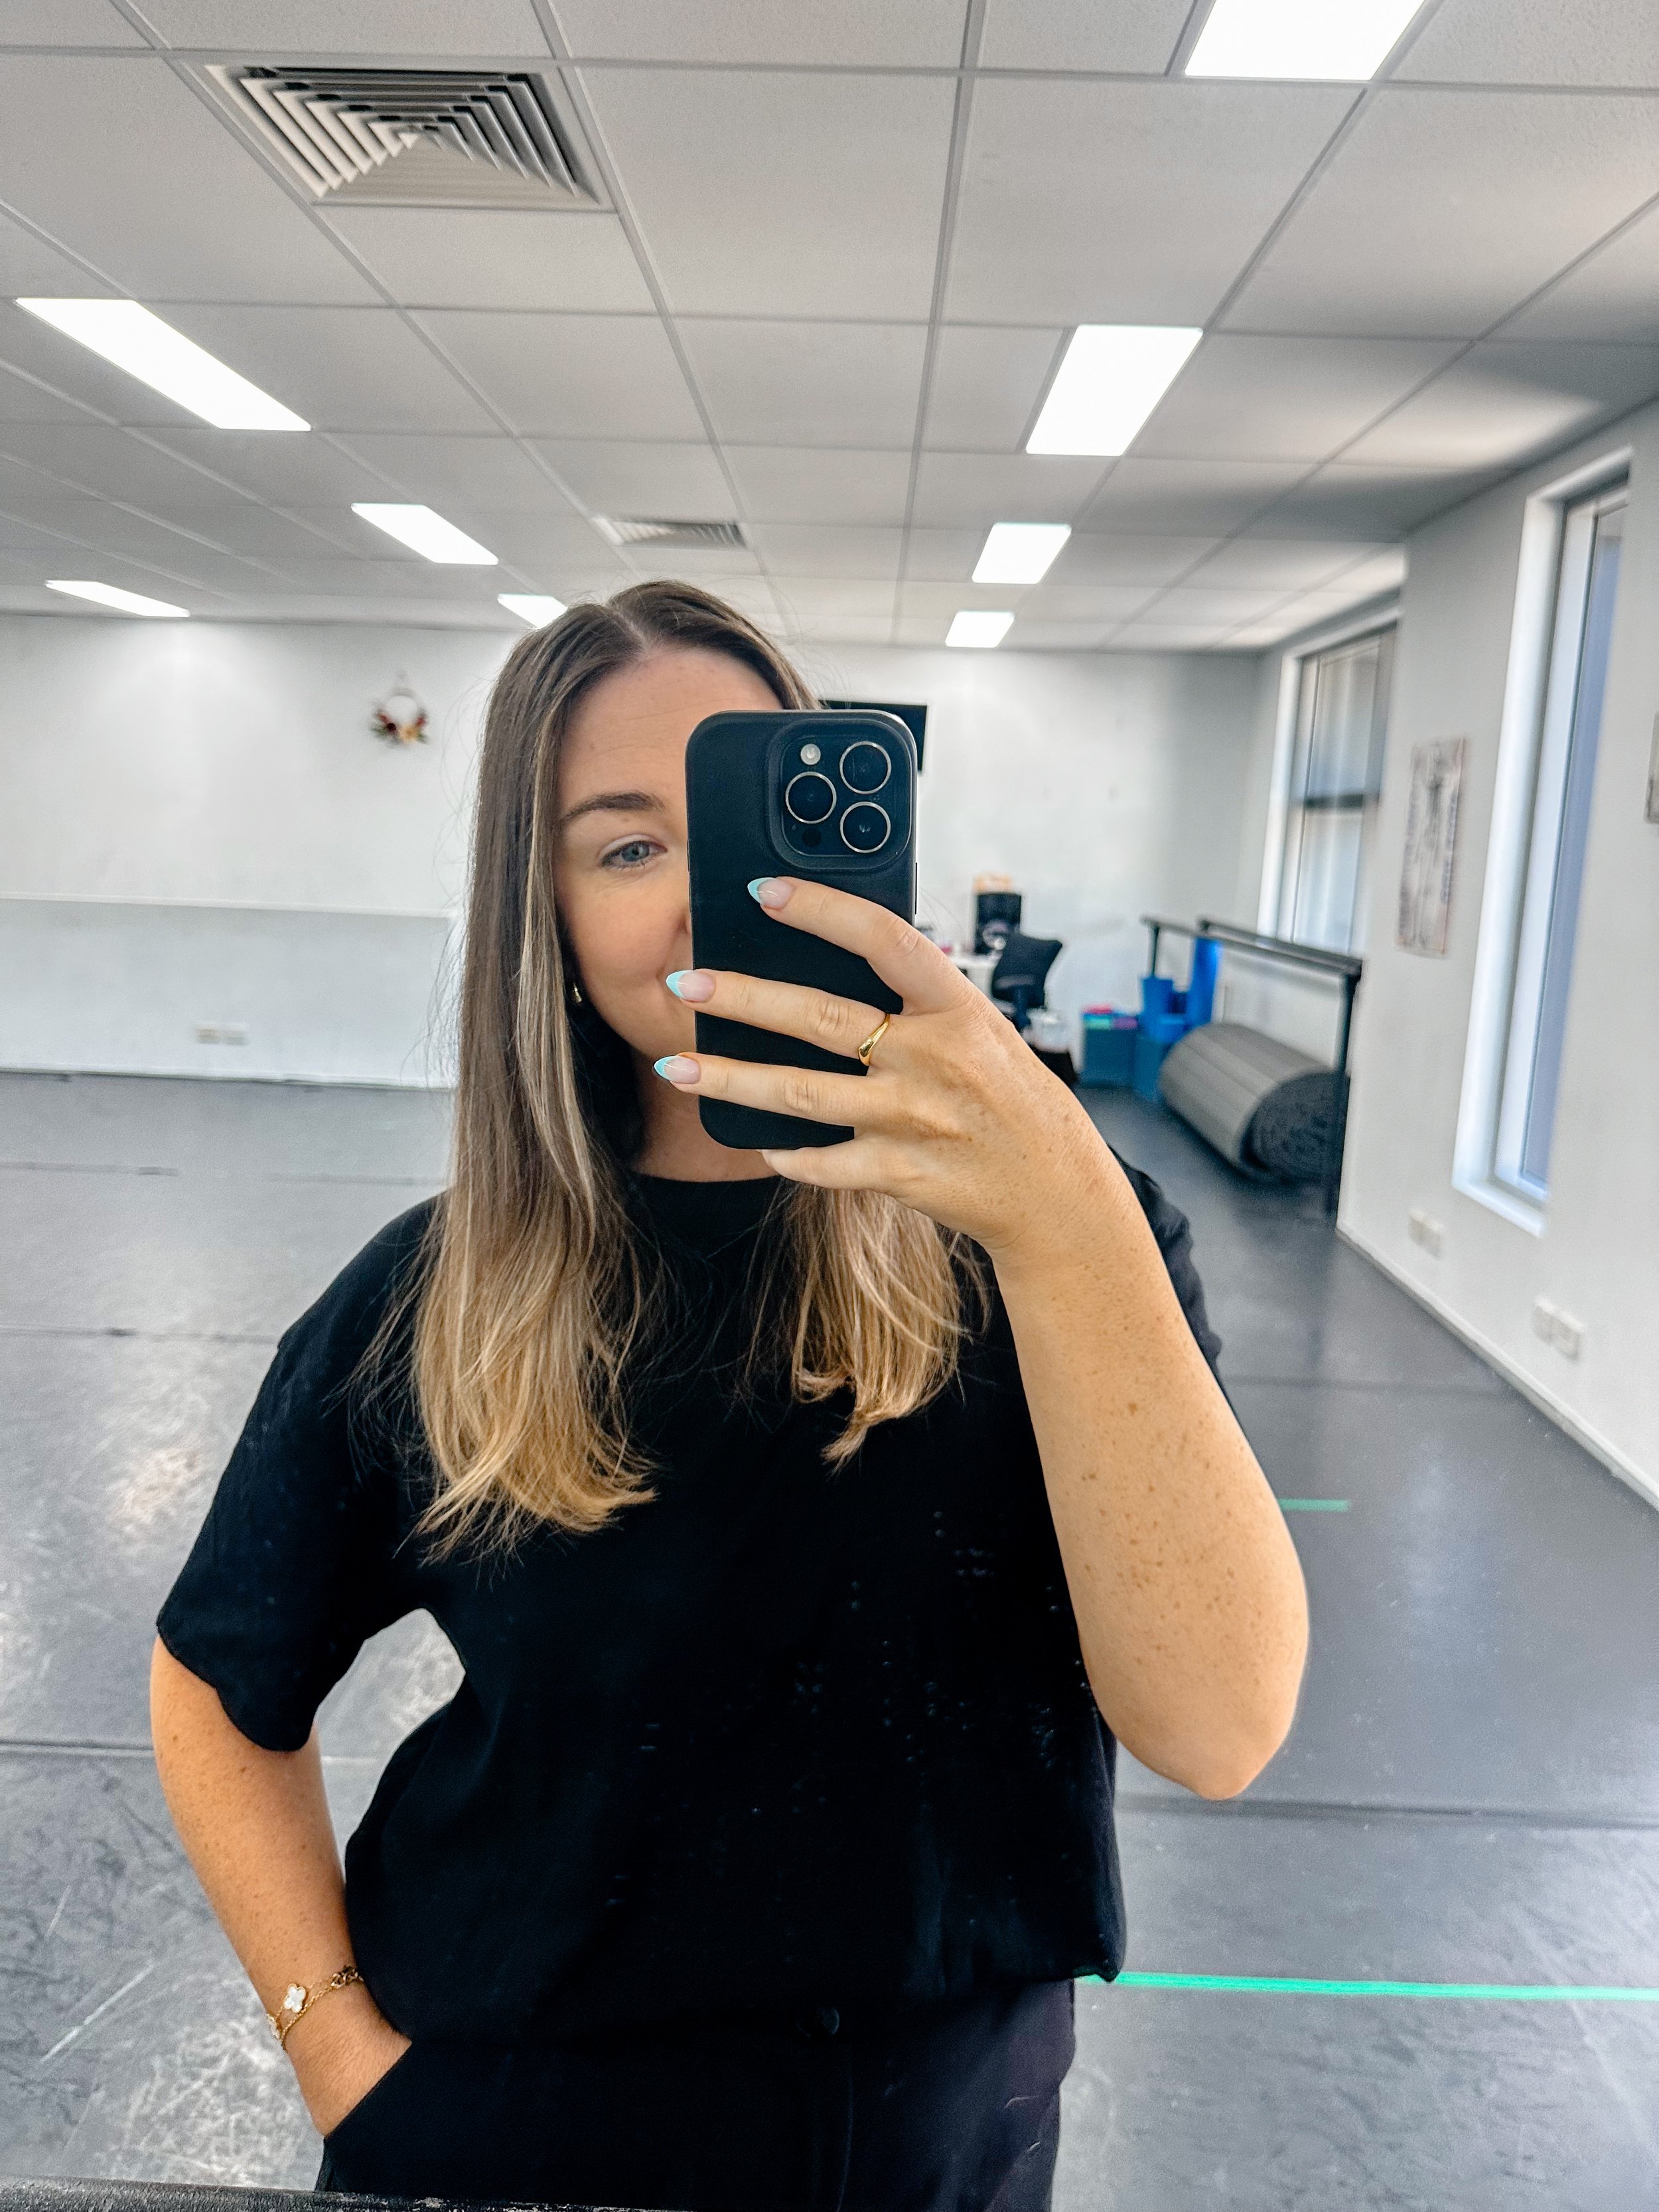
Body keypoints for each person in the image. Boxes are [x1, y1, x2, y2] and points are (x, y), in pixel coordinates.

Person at [150, 581, 1309, 2212]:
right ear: (541, 915)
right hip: (509, 2124)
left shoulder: (1064, 1240)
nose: (714, 897)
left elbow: (1217, 1721)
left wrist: (1062, 1212)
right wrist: (338, 2050)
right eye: (627, 847)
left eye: (756, 819)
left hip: (941, 2137)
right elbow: (215, 1682)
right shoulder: (437, 1294)